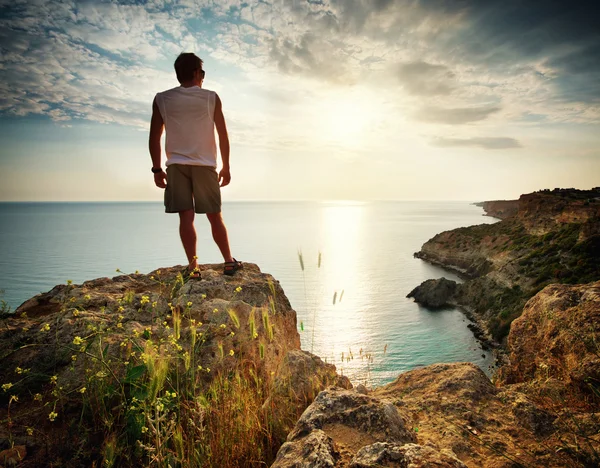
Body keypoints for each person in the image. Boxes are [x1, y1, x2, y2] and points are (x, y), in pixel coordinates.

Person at [149, 53, 242, 278]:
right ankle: (229, 263)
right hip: (205, 165)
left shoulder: (162, 99)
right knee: (214, 216)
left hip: (176, 166)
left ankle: (193, 269)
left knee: (186, 217)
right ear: (195, 73)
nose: (203, 78)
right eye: (202, 73)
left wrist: (157, 169)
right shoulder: (211, 98)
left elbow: (154, 137)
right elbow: (223, 135)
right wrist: (226, 166)